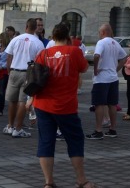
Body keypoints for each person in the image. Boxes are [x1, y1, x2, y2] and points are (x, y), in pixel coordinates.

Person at [33, 22, 97, 188]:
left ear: (53, 37)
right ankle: (81, 180)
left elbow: (36, 77)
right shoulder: (74, 51)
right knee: (75, 141)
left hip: (43, 103)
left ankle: (48, 183)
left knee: (46, 142)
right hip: (66, 106)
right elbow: (83, 69)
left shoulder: (44, 53)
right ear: (68, 37)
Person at [5, 18, 45, 138]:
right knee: (22, 101)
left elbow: (9, 57)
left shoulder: (16, 39)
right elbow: (40, 62)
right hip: (28, 72)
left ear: (26, 26)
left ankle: (10, 126)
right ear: (35, 28)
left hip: (14, 71)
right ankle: (18, 128)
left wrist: (9, 71)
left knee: (12, 100)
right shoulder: (38, 42)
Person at [87, 23, 126, 140]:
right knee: (112, 104)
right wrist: (116, 69)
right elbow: (124, 57)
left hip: (102, 79)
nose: (99, 34)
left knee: (99, 104)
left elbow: (96, 55)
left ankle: (98, 130)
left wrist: (95, 69)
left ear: (103, 32)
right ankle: (113, 129)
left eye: (99, 32)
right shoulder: (116, 43)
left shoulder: (101, 42)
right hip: (113, 78)